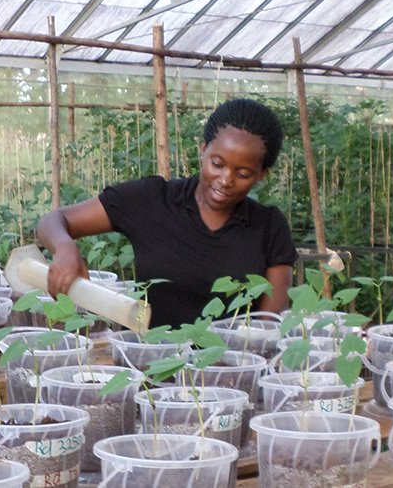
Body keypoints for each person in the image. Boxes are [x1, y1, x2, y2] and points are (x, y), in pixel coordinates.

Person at [37, 98, 296, 328]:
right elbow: (54, 220)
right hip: (150, 365)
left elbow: (268, 325)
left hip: (228, 372)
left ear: (262, 175)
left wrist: (232, 364)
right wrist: (64, 247)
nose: (226, 179)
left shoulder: (269, 227)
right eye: (217, 164)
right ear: (203, 149)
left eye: (243, 174)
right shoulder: (153, 201)